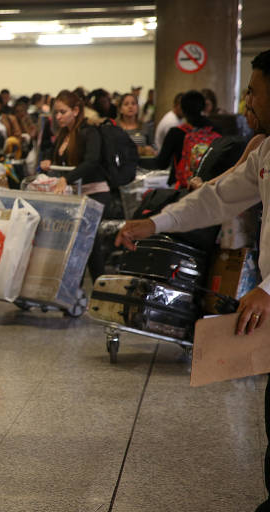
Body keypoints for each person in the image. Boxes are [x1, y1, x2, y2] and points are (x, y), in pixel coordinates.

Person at [115, 50, 270, 512]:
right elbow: (217, 199)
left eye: (254, 90)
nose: (247, 101)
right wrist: (155, 224)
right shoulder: (264, 152)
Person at [40, 89, 120, 280]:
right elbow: (56, 157)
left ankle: (92, 286)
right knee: (85, 242)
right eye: (56, 112)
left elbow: (91, 162)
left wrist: (66, 179)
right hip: (76, 194)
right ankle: (82, 288)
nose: (58, 116)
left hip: (96, 193)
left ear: (76, 111)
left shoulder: (90, 131)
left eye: (62, 112)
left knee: (89, 242)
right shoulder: (63, 135)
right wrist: (48, 161)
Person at [156, 90, 221, 187]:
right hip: (209, 185)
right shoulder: (216, 130)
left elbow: (162, 164)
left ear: (182, 109)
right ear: (203, 107)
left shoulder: (176, 133)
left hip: (184, 187)